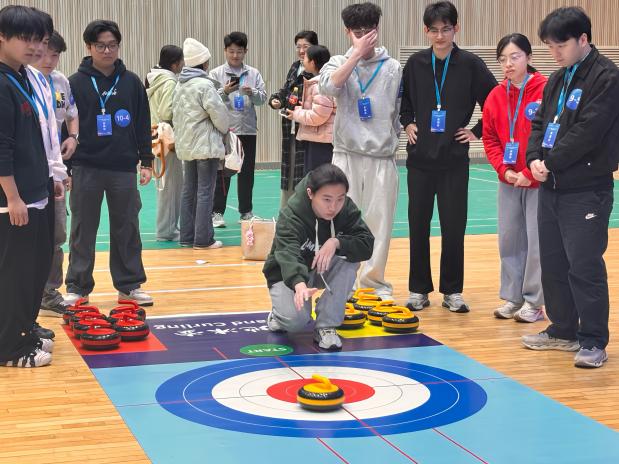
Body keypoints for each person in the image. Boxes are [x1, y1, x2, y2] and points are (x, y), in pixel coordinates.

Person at [522, 7, 619, 368]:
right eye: (550, 47)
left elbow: (588, 131)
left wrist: (551, 162)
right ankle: (563, 329)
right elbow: (539, 123)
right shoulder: (557, 79)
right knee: (553, 263)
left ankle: (593, 340)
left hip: (586, 188)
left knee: (584, 265)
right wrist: (534, 158)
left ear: (583, 39)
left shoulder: (607, 78)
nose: (555, 53)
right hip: (551, 186)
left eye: (560, 46)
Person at [400, 1, 496, 313]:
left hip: (454, 159)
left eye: (446, 29)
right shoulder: (415, 63)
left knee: (454, 227)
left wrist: (476, 131)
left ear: (456, 28)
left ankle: (453, 291)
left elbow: (494, 101)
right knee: (418, 225)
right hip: (420, 160)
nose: (440, 36)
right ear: (425, 31)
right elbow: (404, 102)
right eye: (434, 30)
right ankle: (418, 289)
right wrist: (408, 123)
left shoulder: (470, 64)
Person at [65, 20, 154, 306]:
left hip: (123, 168)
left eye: (112, 45)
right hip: (85, 166)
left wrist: (146, 160)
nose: (107, 51)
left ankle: (129, 285)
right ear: (88, 47)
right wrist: (66, 168)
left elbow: (143, 123)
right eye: (100, 45)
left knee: (127, 228)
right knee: (83, 229)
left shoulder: (131, 82)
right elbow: (65, 126)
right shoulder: (74, 83)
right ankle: (78, 287)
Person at [319, 2, 402, 300]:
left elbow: (398, 112)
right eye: (358, 32)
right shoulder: (337, 63)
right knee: (342, 221)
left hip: (381, 156)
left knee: (380, 222)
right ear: (347, 32)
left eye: (369, 30)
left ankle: (374, 283)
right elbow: (329, 88)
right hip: (346, 154)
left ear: (377, 30)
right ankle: (343, 282)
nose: (365, 37)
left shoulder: (393, 67)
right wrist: (355, 54)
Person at [263, 164, 374, 350]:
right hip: (288, 273)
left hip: (320, 268)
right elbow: (288, 253)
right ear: (310, 193)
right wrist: (299, 284)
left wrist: (336, 242)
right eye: (327, 199)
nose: (333, 207)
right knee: (296, 321)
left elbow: (366, 243)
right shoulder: (291, 215)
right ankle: (279, 315)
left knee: (350, 259)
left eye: (340, 199)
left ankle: (326, 325)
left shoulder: (346, 209)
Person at [0, 5, 54, 367]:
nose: (34, 46)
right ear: (2, 37)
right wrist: (13, 197)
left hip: (35, 193)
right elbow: (1, 146)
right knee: (13, 275)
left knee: (31, 271)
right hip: (13, 201)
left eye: (39, 39)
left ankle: (21, 330)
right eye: (25, 38)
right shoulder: (2, 83)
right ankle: (8, 348)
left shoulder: (21, 76)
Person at [482, 33, 547, 323]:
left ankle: (534, 301)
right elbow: (490, 139)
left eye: (514, 57)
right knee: (509, 240)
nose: (508, 64)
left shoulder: (546, 90)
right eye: (502, 59)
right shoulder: (495, 96)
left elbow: (551, 136)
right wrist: (504, 170)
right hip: (508, 181)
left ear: (529, 58)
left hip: (537, 180)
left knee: (536, 242)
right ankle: (513, 297)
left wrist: (529, 172)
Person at [31, 30, 79, 319]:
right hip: (27, 173)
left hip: (55, 170)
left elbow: (71, 113)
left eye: (55, 55)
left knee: (56, 234)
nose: (49, 60)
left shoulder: (61, 81)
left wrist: (73, 137)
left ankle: (49, 293)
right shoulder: (22, 81)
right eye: (44, 53)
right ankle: (25, 295)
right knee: (26, 237)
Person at [172, 38, 230, 250]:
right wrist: (225, 130)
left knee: (189, 190)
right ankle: (203, 239)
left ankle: (187, 237)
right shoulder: (205, 85)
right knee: (206, 191)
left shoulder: (180, 85)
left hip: (186, 146)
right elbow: (219, 116)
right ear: (204, 63)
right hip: (206, 146)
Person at [210, 31, 267, 226]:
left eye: (239, 51)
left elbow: (262, 99)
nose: (235, 55)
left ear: (245, 51)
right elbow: (210, 101)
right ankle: (217, 212)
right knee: (223, 172)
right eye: (232, 51)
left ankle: (246, 212)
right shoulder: (216, 74)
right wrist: (224, 91)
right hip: (226, 131)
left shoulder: (253, 73)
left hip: (248, 130)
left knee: (247, 173)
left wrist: (253, 93)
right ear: (225, 51)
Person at [268, 30, 318, 208]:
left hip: (308, 128)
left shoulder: (318, 71)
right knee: (289, 170)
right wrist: (276, 100)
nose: (301, 51)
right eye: (298, 47)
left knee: (304, 171)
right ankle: (287, 212)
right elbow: (286, 92)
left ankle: (303, 211)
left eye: (306, 46)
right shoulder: (295, 66)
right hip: (289, 125)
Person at [146, 45, 184, 242]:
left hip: (154, 135)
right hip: (166, 138)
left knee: (164, 184)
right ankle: (167, 231)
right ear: (175, 64)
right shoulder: (169, 81)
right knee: (170, 185)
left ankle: (167, 228)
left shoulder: (153, 78)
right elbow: (166, 112)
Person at [285, 45, 336, 174]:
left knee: (320, 178)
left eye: (306, 59)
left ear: (312, 63)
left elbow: (318, 116)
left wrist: (296, 114)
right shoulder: (322, 82)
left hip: (321, 142)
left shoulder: (319, 84)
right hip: (320, 138)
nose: (303, 61)